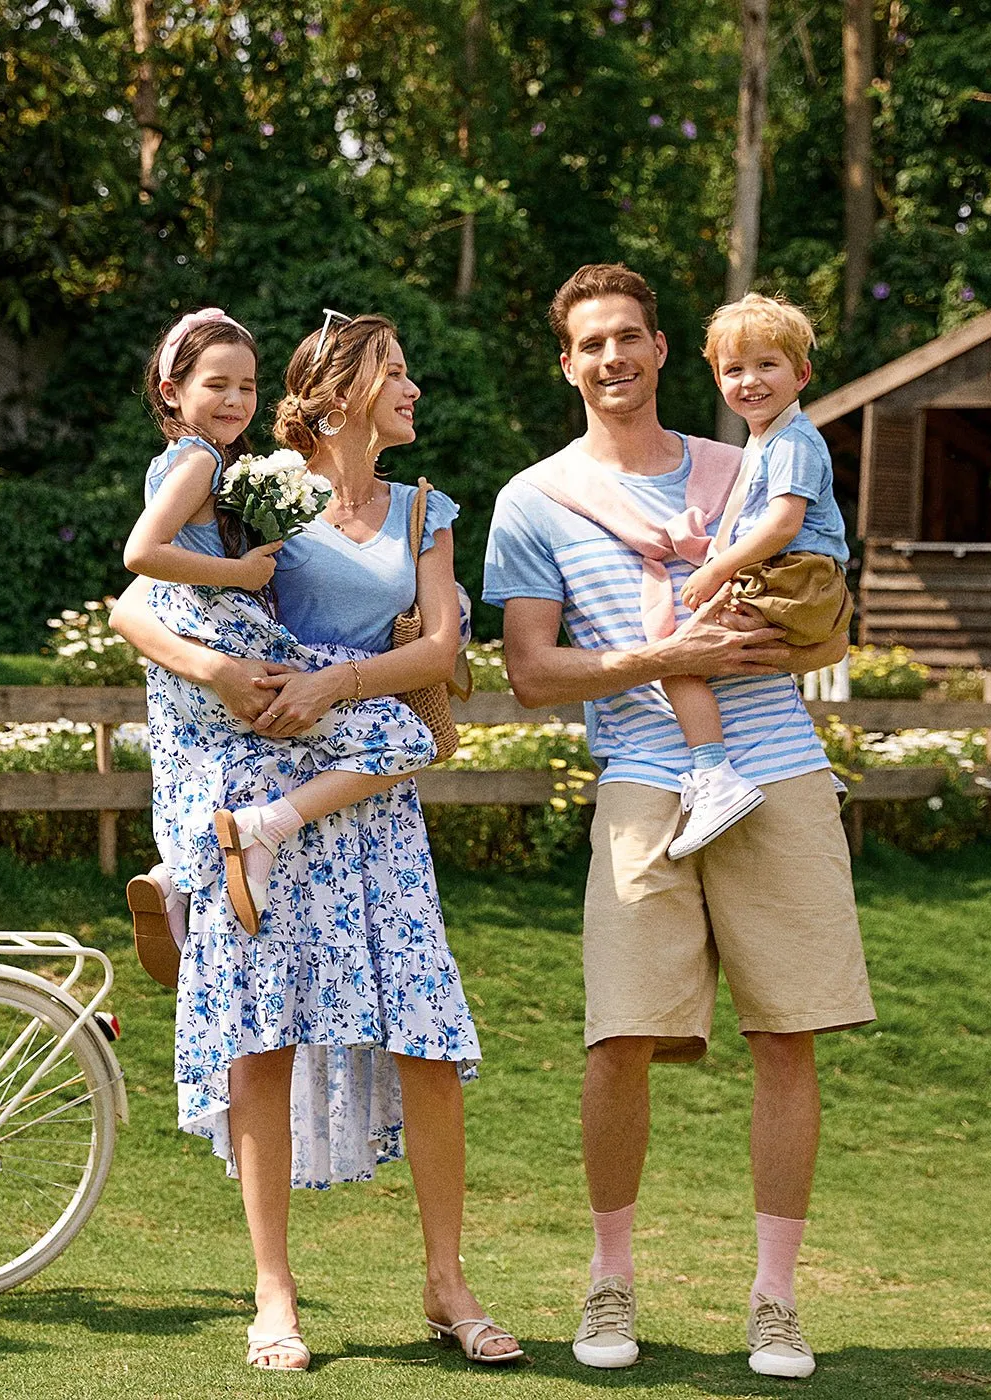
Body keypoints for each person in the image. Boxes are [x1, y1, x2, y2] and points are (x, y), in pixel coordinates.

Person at [483, 263, 875, 1379]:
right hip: (643, 779)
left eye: (629, 338)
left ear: (662, 352)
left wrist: (772, 625)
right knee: (616, 1038)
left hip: (779, 770)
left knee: (784, 1033)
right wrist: (667, 655)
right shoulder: (533, 499)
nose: (611, 357)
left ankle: (774, 1299)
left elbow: (813, 610)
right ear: (566, 363)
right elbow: (529, 671)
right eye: (588, 343)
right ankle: (608, 1280)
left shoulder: (746, 463)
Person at [111, 310, 522, 1371]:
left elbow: (436, 642)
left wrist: (341, 677)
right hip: (262, 783)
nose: (416, 388)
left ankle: (445, 1280)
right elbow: (140, 604)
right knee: (260, 1038)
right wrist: (209, 673)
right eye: (399, 369)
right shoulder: (257, 487)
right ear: (338, 390)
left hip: (370, 800)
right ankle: (274, 1295)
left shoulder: (426, 508)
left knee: (424, 1036)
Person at [122, 307, 437, 969]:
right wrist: (235, 591)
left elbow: (439, 646)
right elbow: (137, 573)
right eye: (218, 385)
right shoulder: (219, 468)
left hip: (210, 649)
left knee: (233, 765)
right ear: (170, 391)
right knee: (403, 736)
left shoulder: (215, 470)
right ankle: (244, 841)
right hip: (226, 645)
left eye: (247, 385)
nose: (237, 400)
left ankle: (179, 878)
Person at [659, 292, 854, 859]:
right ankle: (807, 774)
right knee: (732, 658)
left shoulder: (792, 441)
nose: (750, 380)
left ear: (802, 374)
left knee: (677, 659)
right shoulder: (768, 438)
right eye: (733, 368)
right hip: (794, 575)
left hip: (795, 576)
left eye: (767, 365)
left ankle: (715, 777)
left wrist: (718, 567)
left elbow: (782, 524)